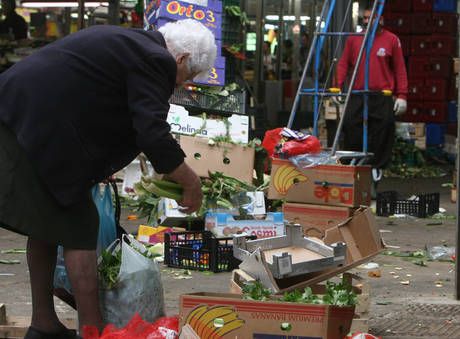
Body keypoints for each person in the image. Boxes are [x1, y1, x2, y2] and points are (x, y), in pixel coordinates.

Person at [0, 19, 215, 338]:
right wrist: (190, 181)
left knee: (45, 223)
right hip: (35, 125)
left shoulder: (133, 44)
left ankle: (44, 324)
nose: (183, 85)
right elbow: (152, 133)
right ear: (181, 59)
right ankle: (94, 332)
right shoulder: (157, 61)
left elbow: (102, 99)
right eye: (189, 77)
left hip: (21, 115)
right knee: (79, 230)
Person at [335, 8, 408, 189]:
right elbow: (343, 63)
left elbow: (399, 69)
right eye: (365, 18)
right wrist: (337, 86)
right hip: (358, 94)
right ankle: (354, 165)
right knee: (351, 125)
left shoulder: (391, 40)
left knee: (384, 127)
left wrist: (402, 95)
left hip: (381, 95)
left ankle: (376, 168)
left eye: (372, 18)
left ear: (381, 19)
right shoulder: (354, 39)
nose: (367, 21)